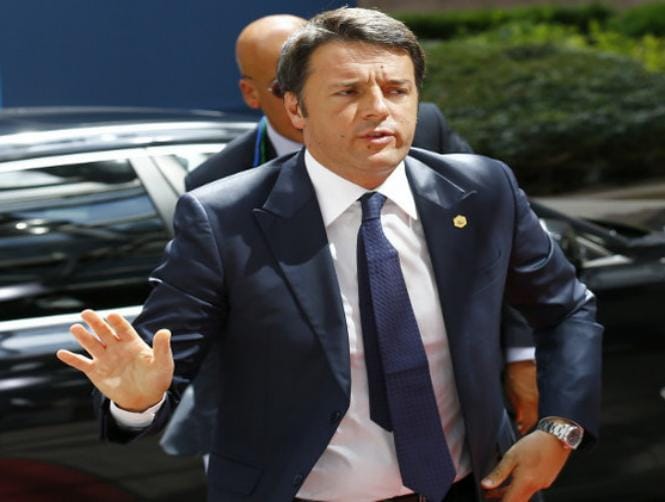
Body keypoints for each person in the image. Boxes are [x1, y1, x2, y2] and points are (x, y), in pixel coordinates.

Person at [57, 7, 602, 502]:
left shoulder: (481, 189)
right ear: (295, 107)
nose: (378, 109)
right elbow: (161, 365)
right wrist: (137, 402)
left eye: (396, 89)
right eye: (348, 92)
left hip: (475, 486)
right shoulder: (223, 218)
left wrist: (560, 430)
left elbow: (567, 309)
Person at [166, 14, 538, 459]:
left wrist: (521, 354)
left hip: (457, 424)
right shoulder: (219, 185)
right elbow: (207, 320)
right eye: (344, 91)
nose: (375, 109)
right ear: (270, 97)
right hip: (306, 437)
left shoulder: (425, 133)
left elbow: (498, 247)